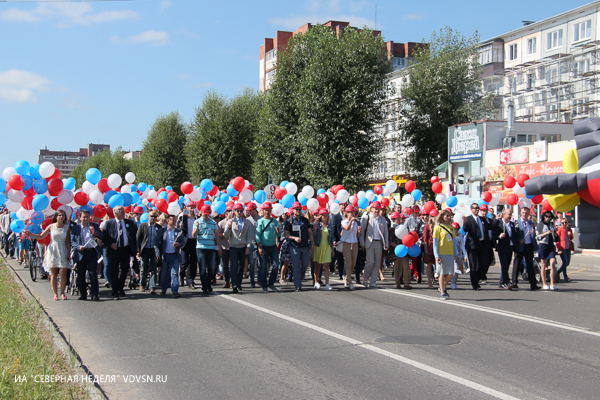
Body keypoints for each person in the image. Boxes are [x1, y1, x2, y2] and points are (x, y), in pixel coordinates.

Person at [30, 210, 71, 301]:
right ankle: (55, 293)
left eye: (63, 215)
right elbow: (41, 237)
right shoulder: (51, 226)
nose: (61, 217)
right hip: (53, 249)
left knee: (63, 272)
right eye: (59, 215)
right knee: (53, 274)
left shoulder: (67, 228)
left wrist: (68, 253)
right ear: (56, 217)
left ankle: (62, 292)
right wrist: (31, 234)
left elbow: (68, 242)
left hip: (62, 249)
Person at [101, 205, 138, 300]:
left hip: (125, 249)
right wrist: (110, 244)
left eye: (123, 211)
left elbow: (134, 236)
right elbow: (104, 237)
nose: (124, 213)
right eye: (121, 211)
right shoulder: (109, 223)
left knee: (125, 270)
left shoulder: (130, 222)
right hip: (114, 250)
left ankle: (120, 287)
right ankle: (115, 292)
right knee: (114, 271)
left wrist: (135, 250)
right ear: (116, 213)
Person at [70, 209, 103, 301]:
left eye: (87, 217)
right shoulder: (76, 228)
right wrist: (78, 246)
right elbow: (72, 241)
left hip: (92, 252)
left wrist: (94, 232)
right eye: (83, 217)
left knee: (93, 274)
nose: (85, 219)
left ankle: (94, 294)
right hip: (81, 253)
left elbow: (101, 236)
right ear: (80, 218)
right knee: (81, 275)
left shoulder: (94, 226)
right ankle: (83, 294)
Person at [283, 202, 315, 291]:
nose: (298, 211)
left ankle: (299, 278)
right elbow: (286, 234)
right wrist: (294, 238)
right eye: (296, 209)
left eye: (299, 209)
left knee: (305, 264)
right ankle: (297, 284)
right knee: (296, 265)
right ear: (293, 210)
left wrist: (312, 244)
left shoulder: (305, 220)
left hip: (305, 246)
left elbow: (310, 233)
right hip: (294, 246)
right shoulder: (289, 221)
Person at [224, 203, 254, 293]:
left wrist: (248, 247)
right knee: (234, 266)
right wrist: (229, 228)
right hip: (233, 247)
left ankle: (239, 282)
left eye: (241, 211)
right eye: (238, 211)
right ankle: (234, 285)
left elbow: (249, 236)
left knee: (241, 267)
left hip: (243, 247)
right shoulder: (230, 221)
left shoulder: (247, 222)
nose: (239, 212)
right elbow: (226, 235)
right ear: (235, 211)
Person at [192, 204, 222, 294]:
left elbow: (216, 235)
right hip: (201, 248)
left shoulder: (212, 223)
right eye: (204, 214)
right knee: (202, 268)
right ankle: (204, 286)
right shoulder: (197, 222)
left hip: (211, 248)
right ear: (201, 213)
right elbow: (193, 235)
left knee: (211, 268)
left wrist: (219, 248)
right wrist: (197, 227)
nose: (206, 215)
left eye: (207, 214)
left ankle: (208, 284)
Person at [156, 214, 186, 297]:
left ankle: (175, 290)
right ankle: (163, 289)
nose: (174, 222)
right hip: (165, 255)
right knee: (164, 273)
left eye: (175, 220)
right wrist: (158, 253)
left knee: (174, 273)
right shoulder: (162, 231)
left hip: (174, 256)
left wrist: (178, 244)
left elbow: (183, 242)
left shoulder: (178, 231)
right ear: (167, 221)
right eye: (172, 220)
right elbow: (156, 243)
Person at [360, 201, 389, 288]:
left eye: (378, 209)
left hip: (379, 243)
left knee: (377, 263)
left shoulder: (382, 219)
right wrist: (362, 243)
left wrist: (386, 244)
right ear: (372, 209)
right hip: (370, 242)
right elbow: (362, 232)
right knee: (370, 261)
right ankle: (366, 277)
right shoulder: (367, 218)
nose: (376, 210)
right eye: (375, 209)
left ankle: (373, 281)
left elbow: (385, 233)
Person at [462, 203, 489, 290]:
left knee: (483, 263)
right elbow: (466, 229)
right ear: (471, 209)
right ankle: (474, 284)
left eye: (478, 208)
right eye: (475, 208)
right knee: (473, 265)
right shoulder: (468, 219)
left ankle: (478, 278)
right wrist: (465, 223)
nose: (477, 210)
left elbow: (489, 227)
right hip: (472, 245)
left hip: (482, 244)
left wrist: (496, 220)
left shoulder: (482, 219)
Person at [255, 202, 281, 292]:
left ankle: (271, 283)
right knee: (263, 267)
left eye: (269, 210)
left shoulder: (274, 221)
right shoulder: (260, 221)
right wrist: (259, 247)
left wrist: (278, 232)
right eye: (266, 210)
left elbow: (279, 234)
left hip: (273, 246)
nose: (267, 212)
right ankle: (264, 285)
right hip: (264, 246)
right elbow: (257, 235)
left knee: (276, 265)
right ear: (263, 210)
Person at [513, 207, 540, 290]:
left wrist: (533, 234)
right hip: (520, 246)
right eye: (523, 213)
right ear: (520, 213)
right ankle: (514, 282)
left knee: (530, 265)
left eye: (526, 213)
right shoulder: (517, 223)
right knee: (517, 264)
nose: (524, 214)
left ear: (529, 214)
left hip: (528, 246)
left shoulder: (530, 223)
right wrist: (518, 240)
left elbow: (532, 235)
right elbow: (513, 235)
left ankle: (533, 284)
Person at [432, 209, 457, 299]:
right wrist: (436, 255)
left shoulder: (451, 227)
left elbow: (454, 242)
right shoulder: (437, 228)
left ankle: (442, 286)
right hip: (441, 253)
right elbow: (435, 243)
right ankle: (442, 292)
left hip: (449, 253)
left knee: (450, 273)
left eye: (449, 216)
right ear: (442, 217)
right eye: (446, 216)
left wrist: (456, 254)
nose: (448, 217)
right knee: (442, 273)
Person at [493, 208, 519, 290]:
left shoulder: (511, 224)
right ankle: (507, 282)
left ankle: (501, 282)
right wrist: (499, 236)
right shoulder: (500, 224)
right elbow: (493, 235)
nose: (510, 216)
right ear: (504, 214)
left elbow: (514, 235)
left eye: (511, 214)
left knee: (507, 265)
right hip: (502, 248)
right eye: (509, 214)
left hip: (510, 247)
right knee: (504, 265)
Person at [136, 210, 160, 294]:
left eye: (155, 216)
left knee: (154, 269)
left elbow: (160, 240)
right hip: (145, 249)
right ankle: (142, 284)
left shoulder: (158, 227)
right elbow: (138, 238)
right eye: (152, 216)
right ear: (148, 216)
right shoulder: (142, 226)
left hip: (154, 250)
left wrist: (159, 252)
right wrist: (138, 250)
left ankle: (152, 287)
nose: (153, 218)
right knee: (143, 268)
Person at [388, 212, 412, 289]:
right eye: (397, 218)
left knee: (406, 266)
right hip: (396, 251)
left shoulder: (404, 228)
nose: (399, 220)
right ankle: (397, 283)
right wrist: (398, 246)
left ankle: (406, 283)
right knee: (397, 267)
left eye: (399, 218)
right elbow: (390, 241)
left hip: (404, 250)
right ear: (393, 219)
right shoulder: (391, 230)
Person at [536, 211, 558, 290]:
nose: (548, 218)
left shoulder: (551, 224)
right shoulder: (540, 224)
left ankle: (552, 284)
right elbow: (537, 236)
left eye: (549, 216)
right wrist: (546, 233)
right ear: (543, 216)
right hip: (543, 245)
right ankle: (544, 283)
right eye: (546, 216)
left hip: (551, 245)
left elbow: (554, 233)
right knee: (543, 264)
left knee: (553, 263)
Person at [312, 209, 333, 290]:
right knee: (317, 265)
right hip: (318, 246)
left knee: (326, 266)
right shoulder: (317, 225)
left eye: (326, 215)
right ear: (320, 216)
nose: (325, 217)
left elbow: (331, 237)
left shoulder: (329, 226)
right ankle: (316, 281)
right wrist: (315, 229)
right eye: (323, 215)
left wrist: (332, 249)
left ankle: (327, 283)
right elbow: (313, 236)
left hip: (327, 246)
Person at [179, 201, 198, 289]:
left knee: (194, 262)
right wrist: (180, 227)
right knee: (185, 261)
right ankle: (182, 276)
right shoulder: (183, 218)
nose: (192, 209)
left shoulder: (197, 218)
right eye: (190, 207)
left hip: (194, 241)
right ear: (187, 208)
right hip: (185, 242)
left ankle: (191, 280)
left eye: (193, 208)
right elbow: (178, 230)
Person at [340, 205, 360, 290]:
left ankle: (347, 278)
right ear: (347, 213)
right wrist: (351, 221)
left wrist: (359, 231)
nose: (352, 214)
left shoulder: (356, 223)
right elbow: (347, 228)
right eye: (350, 212)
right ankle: (350, 282)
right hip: (346, 244)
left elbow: (357, 235)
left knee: (353, 263)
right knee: (349, 263)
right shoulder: (344, 222)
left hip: (354, 243)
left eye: (353, 212)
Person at [217, 205, 233, 288]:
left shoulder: (235, 222)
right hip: (224, 247)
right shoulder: (221, 223)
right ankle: (227, 281)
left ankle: (233, 281)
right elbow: (217, 235)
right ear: (226, 213)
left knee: (233, 265)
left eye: (231, 211)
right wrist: (224, 234)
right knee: (225, 265)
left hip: (233, 246)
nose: (230, 212)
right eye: (229, 211)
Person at [244, 203, 260, 288]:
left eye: (250, 210)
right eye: (248, 210)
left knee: (262, 263)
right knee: (252, 263)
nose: (249, 212)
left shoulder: (261, 219)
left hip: (261, 244)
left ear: (255, 209)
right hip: (252, 244)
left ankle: (261, 279)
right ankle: (252, 281)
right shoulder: (247, 220)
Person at [330, 203, 345, 281]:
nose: (343, 207)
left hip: (347, 240)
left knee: (347, 258)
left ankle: (346, 273)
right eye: (342, 205)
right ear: (339, 207)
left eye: (344, 205)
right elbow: (333, 228)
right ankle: (341, 273)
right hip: (339, 240)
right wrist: (334, 239)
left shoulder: (348, 216)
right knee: (340, 258)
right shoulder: (335, 216)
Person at [450, 222, 467, 290]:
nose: (455, 230)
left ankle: (454, 283)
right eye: (454, 229)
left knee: (457, 271)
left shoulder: (460, 237)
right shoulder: (450, 236)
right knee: (455, 269)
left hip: (459, 255)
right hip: (451, 256)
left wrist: (465, 256)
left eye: (456, 229)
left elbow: (463, 247)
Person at [556, 217, 574, 283]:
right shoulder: (560, 229)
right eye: (562, 223)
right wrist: (558, 249)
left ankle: (558, 272)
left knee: (567, 263)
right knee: (565, 262)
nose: (564, 224)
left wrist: (570, 234)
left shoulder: (569, 229)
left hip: (568, 248)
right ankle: (565, 276)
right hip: (562, 248)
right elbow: (557, 239)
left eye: (565, 222)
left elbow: (571, 238)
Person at [422, 210, 437, 288]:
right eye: (433, 217)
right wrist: (426, 249)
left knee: (438, 263)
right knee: (429, 264)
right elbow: (425, 238)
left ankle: (437, 277)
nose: (435, 218)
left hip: (438, 246)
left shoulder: (439, 225)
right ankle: (429, 280)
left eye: (436, 216)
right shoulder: (427, 226)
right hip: (430, 246)